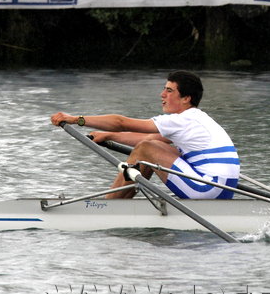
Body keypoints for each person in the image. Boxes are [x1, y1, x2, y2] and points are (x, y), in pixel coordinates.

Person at [50, 71, 240, 199]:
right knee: (151, 146)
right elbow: (150, 139)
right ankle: (120, 201)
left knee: (146, 149)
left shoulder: (180, 120)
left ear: (186, 98)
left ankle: (108, 206)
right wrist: (109, 136)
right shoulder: (197, 119)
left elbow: (121, 122)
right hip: (224, 190)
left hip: (206, 189)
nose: (162, 95)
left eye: (169, 90)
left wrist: (76, 119)